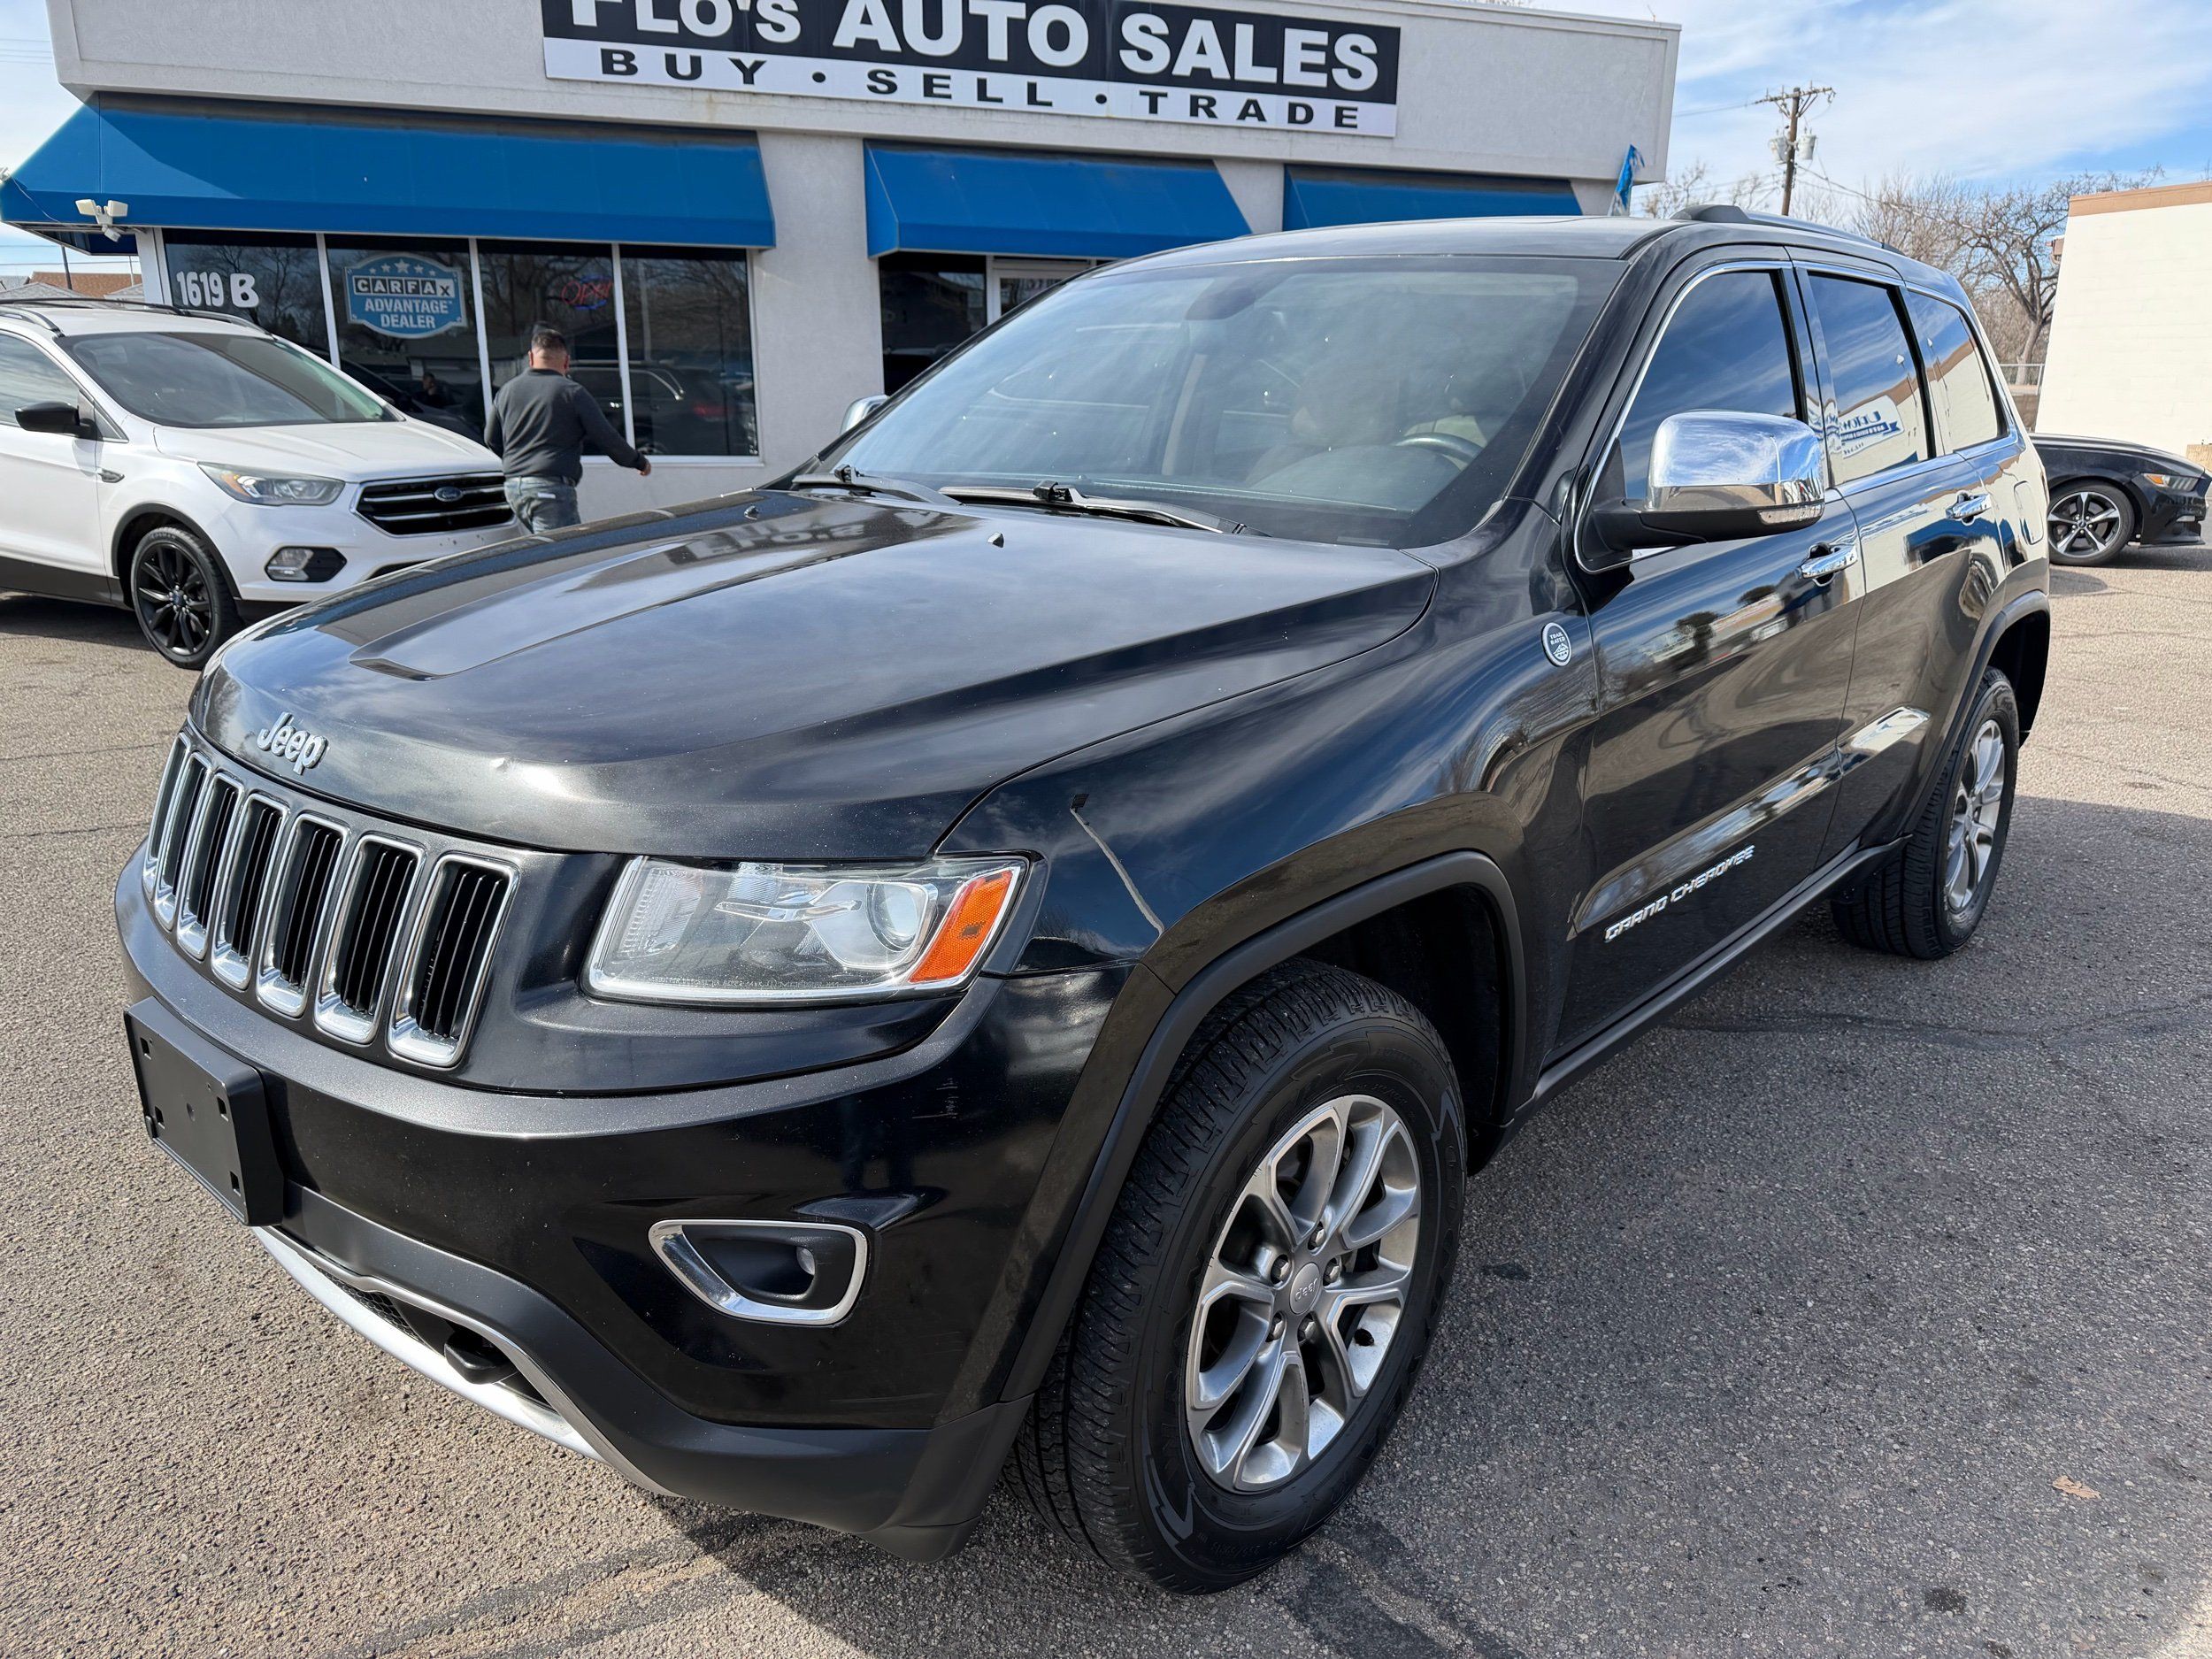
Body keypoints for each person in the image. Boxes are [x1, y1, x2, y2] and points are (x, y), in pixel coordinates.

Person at [481, 325, 651, 533]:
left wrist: (518, 462)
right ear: (567, 362)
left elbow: (491, 439)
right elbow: (606, 436)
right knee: (563, 550)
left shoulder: (507, 391)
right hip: (549, 489)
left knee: (548, 546)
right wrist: (637, 461)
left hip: (514, 488)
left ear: (531, 358)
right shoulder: (572, 392)